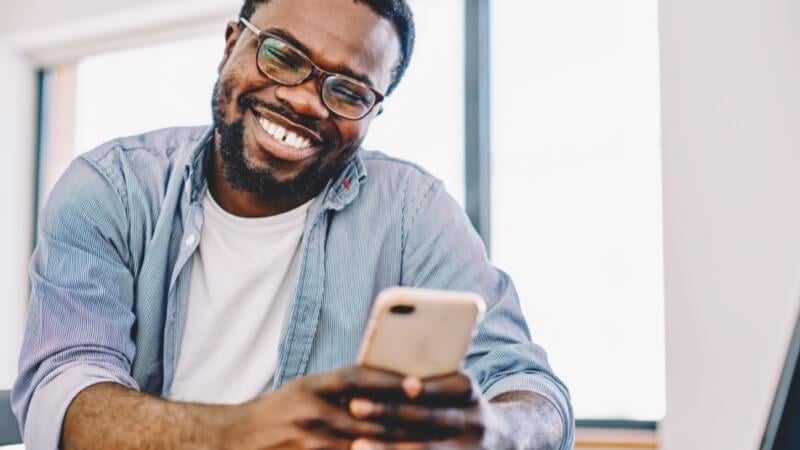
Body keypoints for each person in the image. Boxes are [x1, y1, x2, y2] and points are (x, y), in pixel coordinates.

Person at [12, 0, 574, 448]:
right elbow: (64, 399)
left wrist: (491, 431)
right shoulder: (110, 189)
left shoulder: (413, 211)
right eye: (282, 56)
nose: (306, 102)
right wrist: (249, 431)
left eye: (348, 91)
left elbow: (534, 395)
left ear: (374, 113)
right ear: (232, 45)